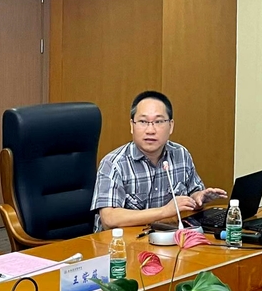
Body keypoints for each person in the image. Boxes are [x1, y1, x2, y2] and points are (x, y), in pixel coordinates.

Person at [91, 90, 227, 232]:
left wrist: (198, 197)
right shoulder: (113, 164)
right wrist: (165, 211)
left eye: (158, 122)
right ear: (132, 126)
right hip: (122, 242)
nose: (150, 130)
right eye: (143, 122)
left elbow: (193, 192)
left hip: (168, 238)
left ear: (171, 126)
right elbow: (109, 219)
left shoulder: (180, 154)